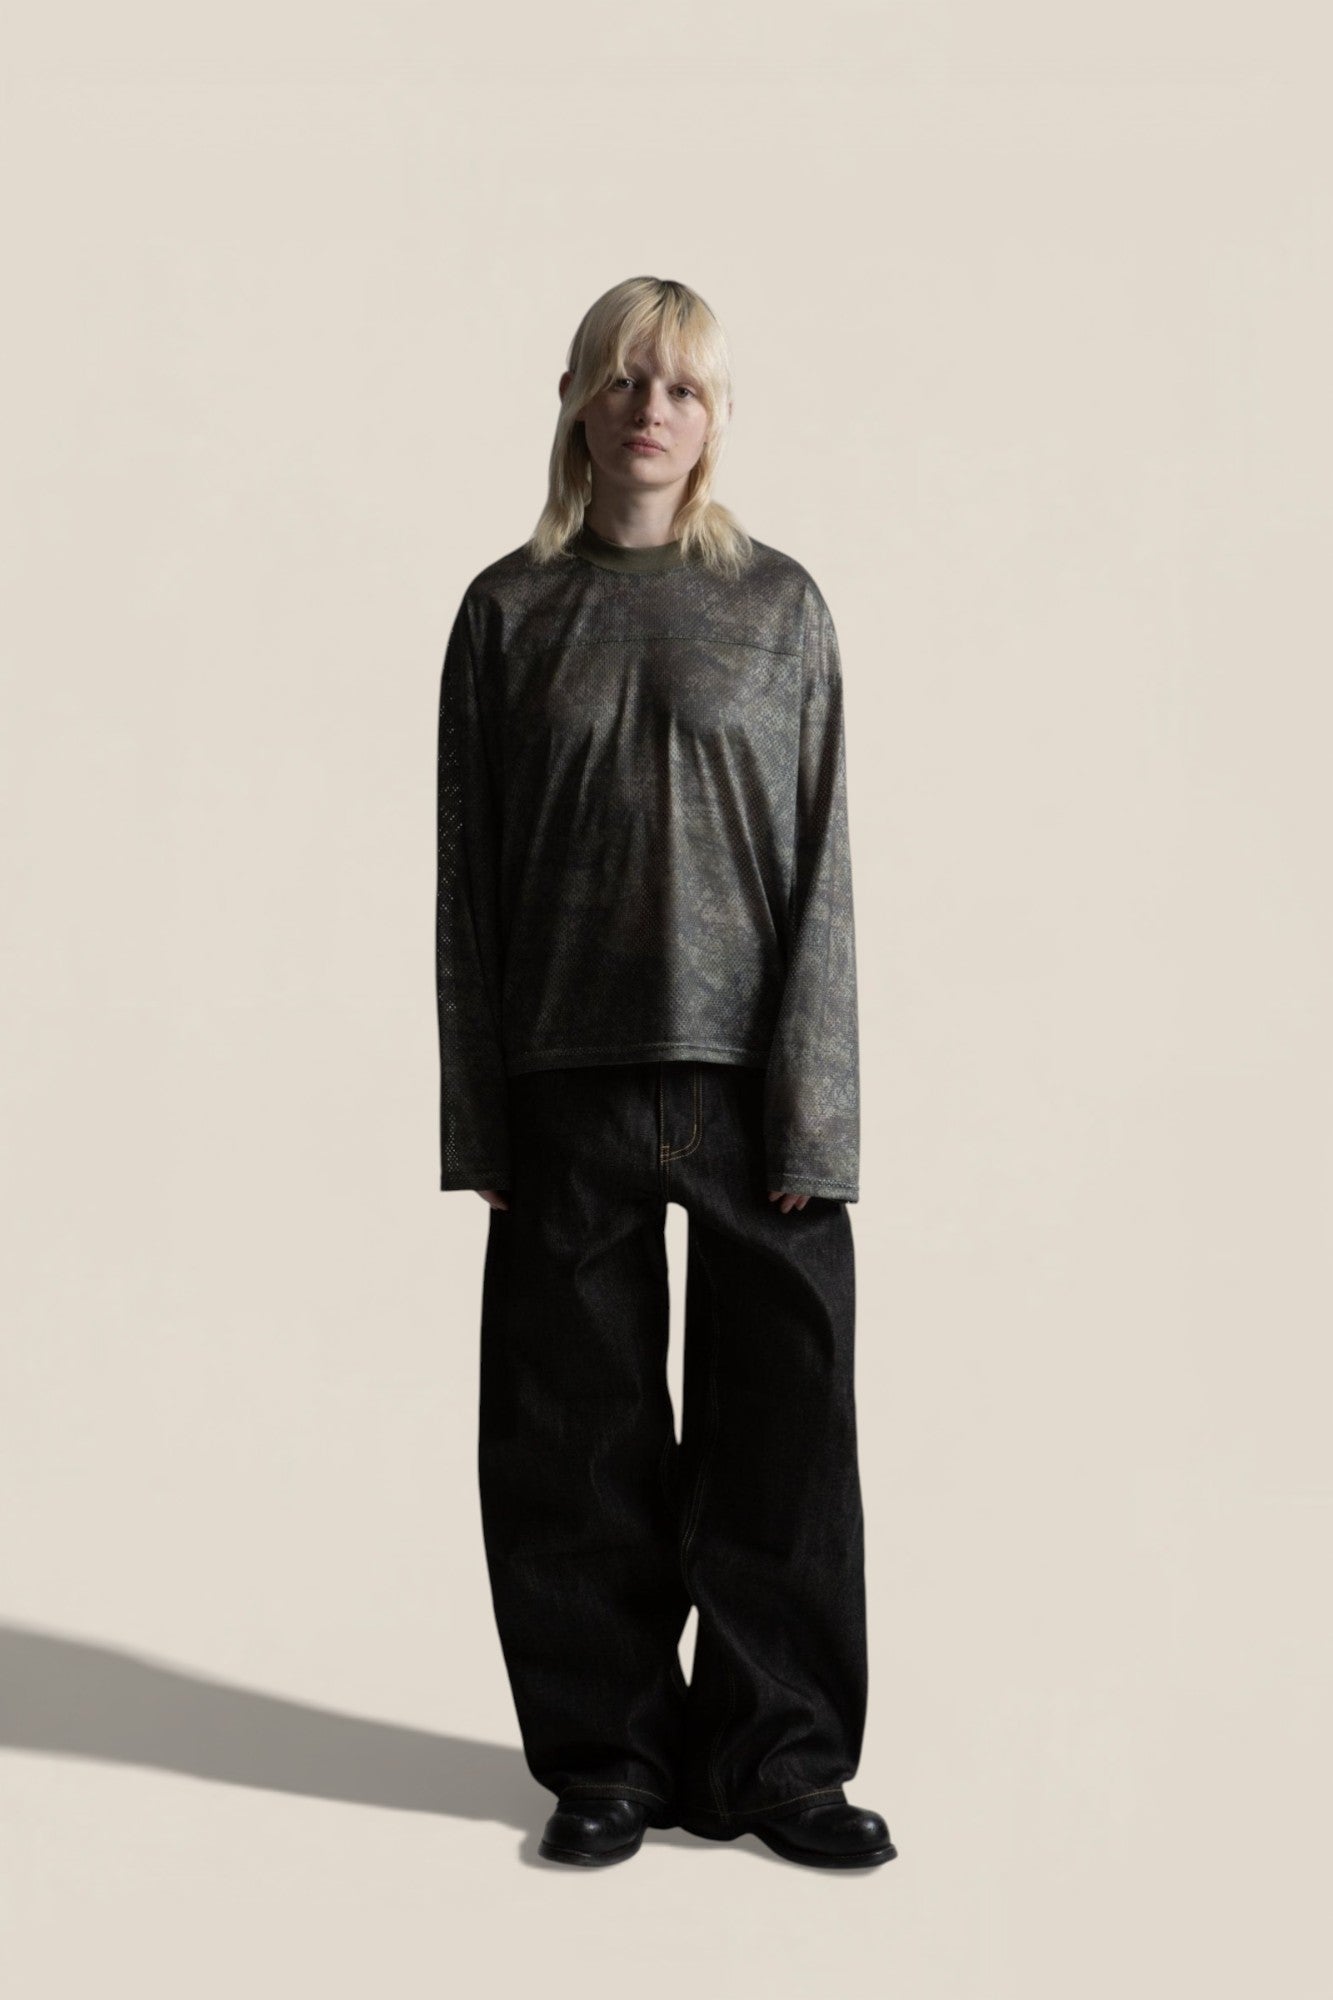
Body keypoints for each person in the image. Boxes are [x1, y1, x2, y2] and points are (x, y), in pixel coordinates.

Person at [435, 275, 897, 1870]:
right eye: (624, 379)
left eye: (682, 387)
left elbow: (823, 867)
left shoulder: (779, 608)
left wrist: (819, 1112)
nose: (651, 410)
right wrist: (479, 1119)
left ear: (714, 419)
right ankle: (608, 1758)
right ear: (576, 399)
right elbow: (466, 880)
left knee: (784, 1436)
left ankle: (782, 1764)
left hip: (751, 1086)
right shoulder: (507, 612)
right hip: (564, 1076)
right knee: (570, 1439)